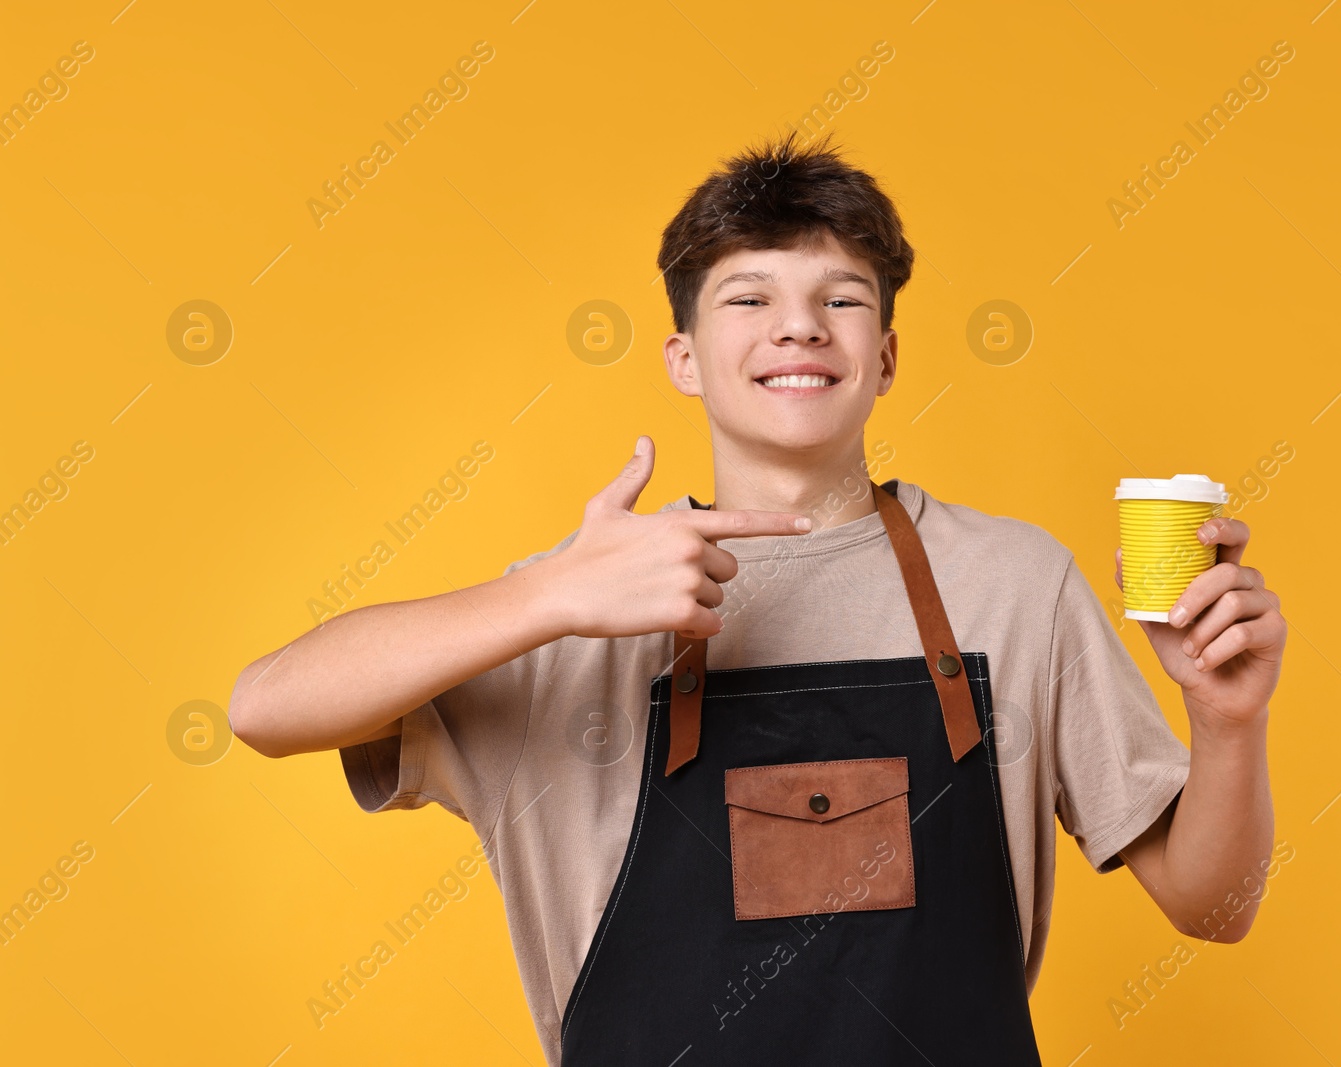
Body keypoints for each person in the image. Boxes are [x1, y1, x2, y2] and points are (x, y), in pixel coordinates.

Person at [229, 130, 1286, 1065]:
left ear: (885, 357)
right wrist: (547, 595)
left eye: (841, 300)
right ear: (684, 360)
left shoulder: (1016, 583)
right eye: (750, 298)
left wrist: (1227, 720)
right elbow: (265, 706)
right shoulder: (583, 604)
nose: (800, 328)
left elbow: (1217, 908)